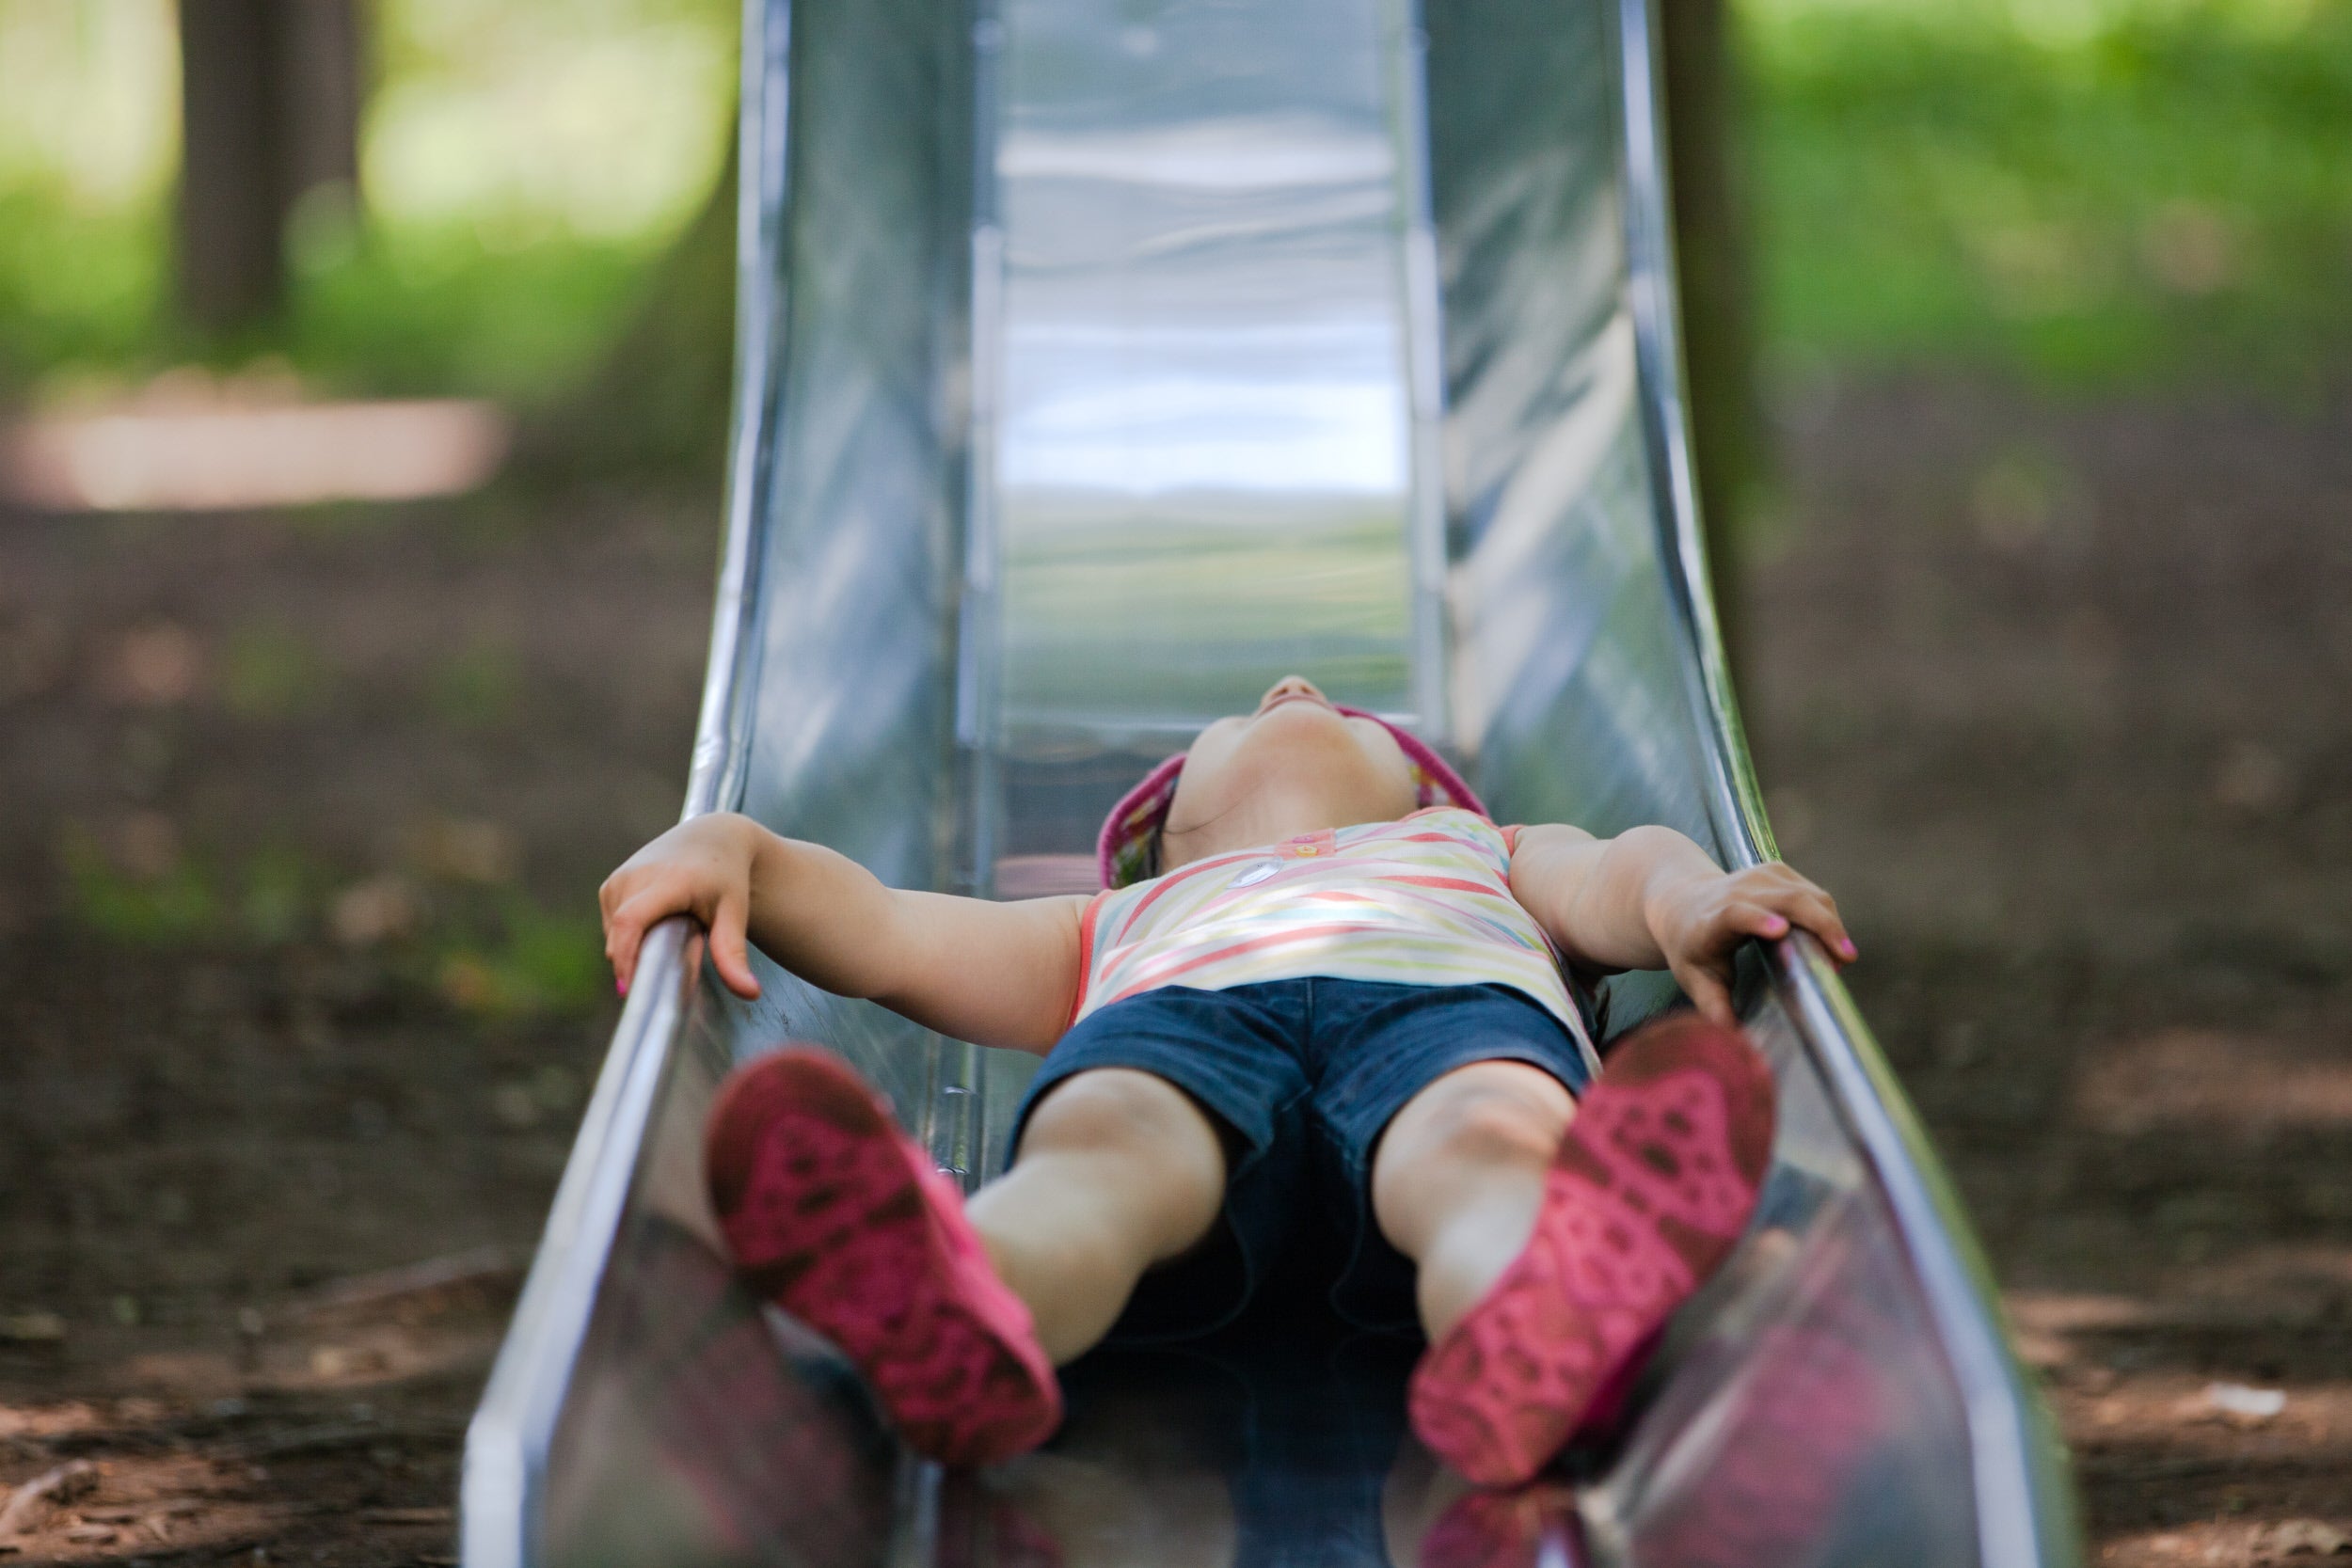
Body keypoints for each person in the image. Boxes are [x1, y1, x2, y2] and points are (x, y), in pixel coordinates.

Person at [599, 675, 1854, 1486]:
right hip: (1181, 1033)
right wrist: (739, 846)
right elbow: (883, 931)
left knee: (1483, 1142)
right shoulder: (1113, 924)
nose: (1295, 687)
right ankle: (967, 1305)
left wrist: (1692, 898)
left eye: (1350, 713)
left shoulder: (1483, 852)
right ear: (1163, 834)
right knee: (1105, 1148)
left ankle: (1540, 1319)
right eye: (1247, 715)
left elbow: (1622, 872)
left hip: (1445, 1024)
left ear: (1426, 799)